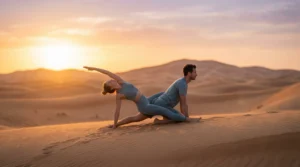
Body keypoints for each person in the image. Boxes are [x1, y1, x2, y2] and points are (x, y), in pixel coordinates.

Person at [83, 66, 200, 129]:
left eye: (110, 79)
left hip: (147, 99)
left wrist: (93, 69)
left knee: (136, 118)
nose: (111, 79)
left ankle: (162, 121)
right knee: (163, 109)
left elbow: (107, 72)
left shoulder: (121, 81)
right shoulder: (119, 95)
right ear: (111, 86)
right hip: (145, 106)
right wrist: (114, 123)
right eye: (110, 82)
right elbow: (117, 111)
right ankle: (186, 119)